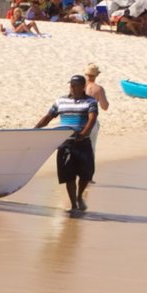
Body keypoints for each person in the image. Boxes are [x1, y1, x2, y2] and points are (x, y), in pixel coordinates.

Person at [33, 75, 101, 214]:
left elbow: (92, 118)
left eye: (75, 85)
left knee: (85, 174)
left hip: (82, 142)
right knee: (68, 174)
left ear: (83, 87)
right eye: (71, 85)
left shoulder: (91, 101)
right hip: (65, 142)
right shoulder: (61, 101)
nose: (72, 87)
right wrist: (35, 130)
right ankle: (74, 205)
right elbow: (48, 117)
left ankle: (79, 196)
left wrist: (84, 133)